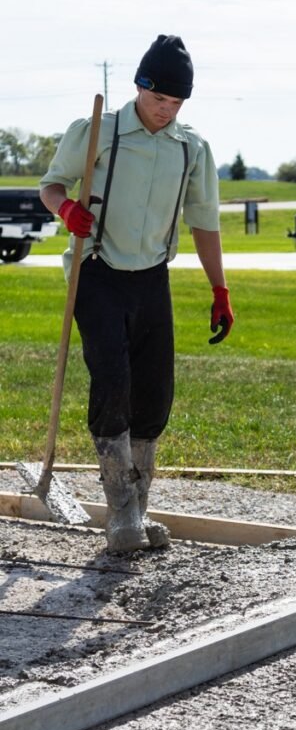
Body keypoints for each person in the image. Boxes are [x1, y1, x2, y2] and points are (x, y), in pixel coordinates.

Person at [39, 34, 234, 553]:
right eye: (158, 100)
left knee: (154, 396)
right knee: (113, 382)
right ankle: (121, 515)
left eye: (175, 104)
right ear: (140, 88)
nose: (165, 111)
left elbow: (205, 223)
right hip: (96, 272)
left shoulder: (192, 148)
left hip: (152, 279)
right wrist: (66, 210)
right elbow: (51, 185)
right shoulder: (98, 131)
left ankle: (140, 510)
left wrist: (220, 289)